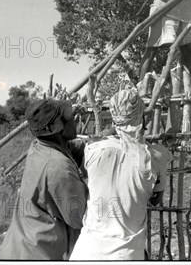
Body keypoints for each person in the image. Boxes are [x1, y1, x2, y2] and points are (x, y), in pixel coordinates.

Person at [69, 84, 170, 260]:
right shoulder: (156, 157)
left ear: (113, 116)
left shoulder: (92, 149)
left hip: (85, 251)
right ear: (141, 117)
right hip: (125, 254)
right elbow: (156, 200)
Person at [0, 100, 87, 260]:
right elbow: (79, 217)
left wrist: (91, 145)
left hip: (20, 246)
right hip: (38, 253)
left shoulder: (39, 147)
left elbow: (69, 148)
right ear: (59, 128)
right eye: (71, 117)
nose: (75, 119)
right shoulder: (59, 167)